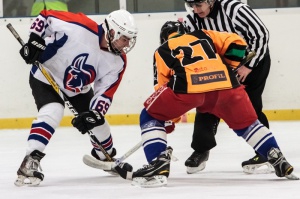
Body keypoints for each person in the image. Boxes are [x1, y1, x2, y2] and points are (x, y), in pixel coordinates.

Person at [114, 21, 296, 188]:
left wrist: (169, 119)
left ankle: (158, 163)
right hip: (226, 84)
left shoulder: (161, 50)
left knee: (150, 114)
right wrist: (230, 64)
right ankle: (275, 155)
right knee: (248, 125)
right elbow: (237, 43)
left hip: (189, 87)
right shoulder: (203, 34)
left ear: (163, 37)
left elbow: (161, 87)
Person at [15, 9, 138, 186]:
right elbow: (46, 16)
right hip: (46, 73)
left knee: (99, 123)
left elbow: (105, 92)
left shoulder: (118, 61)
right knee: (53, 110)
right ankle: (30, 160)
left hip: (77, 87)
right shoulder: (80, 26)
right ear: (112, 31)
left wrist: (94, 114)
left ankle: (105, 155)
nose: (126, 44)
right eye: (124, 38)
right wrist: (35, 39)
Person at [182, 0, 272, 174]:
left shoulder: (235, 9)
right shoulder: (191, 21)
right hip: (220, 65)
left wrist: (249, 65)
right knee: (207, 104)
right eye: (191, 5)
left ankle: (266, 151)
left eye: (199, 4)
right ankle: (201, 150)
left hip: (252, 60)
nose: (195, 9)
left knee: (250, 106)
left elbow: (261, 34)